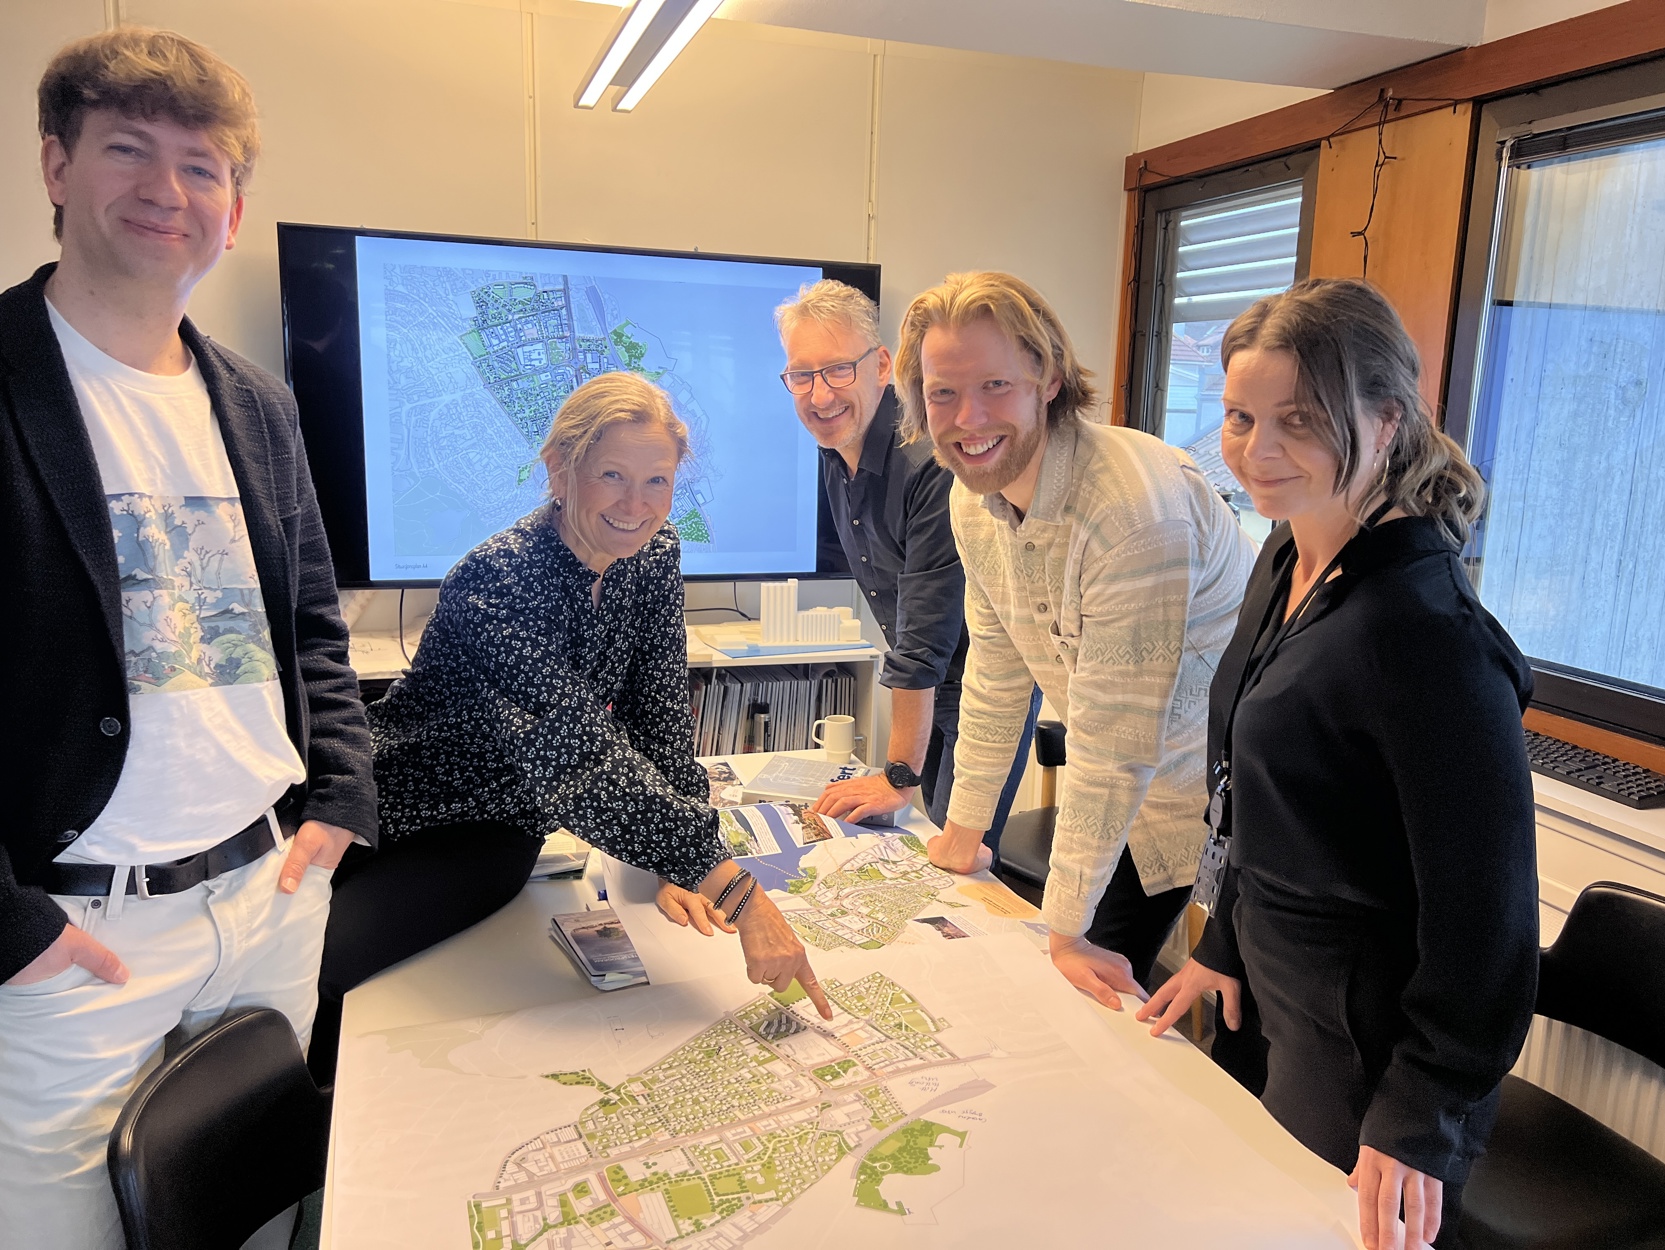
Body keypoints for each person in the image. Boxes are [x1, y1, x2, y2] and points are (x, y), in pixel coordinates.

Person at [0, 29, 377, 1247]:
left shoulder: (257, 402)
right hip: (77, 938)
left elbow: (314, 623)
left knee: (260, 1218)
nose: (169, 191)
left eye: (204, 167)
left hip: (268, 897)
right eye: (129, 150)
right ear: (55, 165)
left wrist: (339, 800)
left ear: (236, 204)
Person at [1136, 279, 1538, 1250]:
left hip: (1369, 1034)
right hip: (1274, 977)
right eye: (1237, 417)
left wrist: (1421, 1109)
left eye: (1298, 421)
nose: (1256, 450)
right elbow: (1257, 795)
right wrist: (1223, 938)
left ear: (1383, 417)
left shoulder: (1423, 631)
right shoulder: (1284, 555)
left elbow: (1486, 906)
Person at [312, 372, 832, 1081]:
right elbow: (579, 757)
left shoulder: (653, 554)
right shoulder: (499, 580)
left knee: (393, 979)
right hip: (400, 810)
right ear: (559, 468)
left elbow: (657, 716)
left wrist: (679, 861)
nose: (635, 504)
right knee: (317, 967)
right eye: (611, 475)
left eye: (656, 481)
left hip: (496, 830)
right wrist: (739, 895)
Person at [893, 271, 1255, 996]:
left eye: (994, 385)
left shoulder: (1131, 506)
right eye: (942, 393)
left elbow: (1115, 741)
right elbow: (997, 672)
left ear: (1047, 377)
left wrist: (1065, 930)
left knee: (1079, 992)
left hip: (1195, 792)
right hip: (1120, 778)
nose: (967, 417)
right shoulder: (975, 497)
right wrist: (963, 831)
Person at [774, 279, 1040, 845]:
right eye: (802, 375)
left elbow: (923, 636)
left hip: (986, 688)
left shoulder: (928, 462)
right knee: (915, 840)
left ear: (880, 365)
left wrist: (897, 775)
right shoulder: (836, 450)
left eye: (838, 370)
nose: (820, 396)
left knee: (956, 854)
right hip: (934, 683)